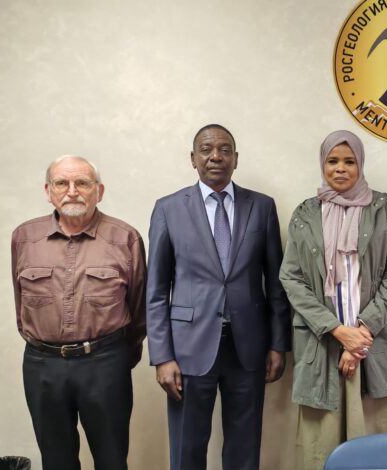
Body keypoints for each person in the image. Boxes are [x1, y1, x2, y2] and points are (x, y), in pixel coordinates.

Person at [146, 124, 291, 470]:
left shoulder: (262, 207)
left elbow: (276, 284)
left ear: (236, 159)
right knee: (187, 447)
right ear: (193, 158)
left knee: (244, 447)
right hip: (188, 348)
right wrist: (162, 356)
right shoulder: (168, 209)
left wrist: (278, 344)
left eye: (225, 150)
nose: (215, 156)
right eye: (206, 149)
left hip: (248, 348)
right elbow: (156, 291)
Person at [279, 130, 387, 469]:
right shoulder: (305, 213)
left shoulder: (382, 208)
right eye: (332, 161)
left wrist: (360, 335)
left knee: (383, 448)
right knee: (322, 450)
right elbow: (291, 278)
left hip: (378, 345)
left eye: (349, 161)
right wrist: (338, 331)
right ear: (322, 164)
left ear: (360, 164)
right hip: (323, 346)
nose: (340, 168)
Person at [11, 155, 146, 470]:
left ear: (99, 191)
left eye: (82, 183)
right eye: (62, 183)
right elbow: (20, 304)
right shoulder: (24, 238)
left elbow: (139, 309)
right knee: (56, 461)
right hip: (42, 365)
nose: (72, 191)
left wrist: (116, 356)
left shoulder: (125, 238)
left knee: (112, 460)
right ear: (48, 191)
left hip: (104, 363)